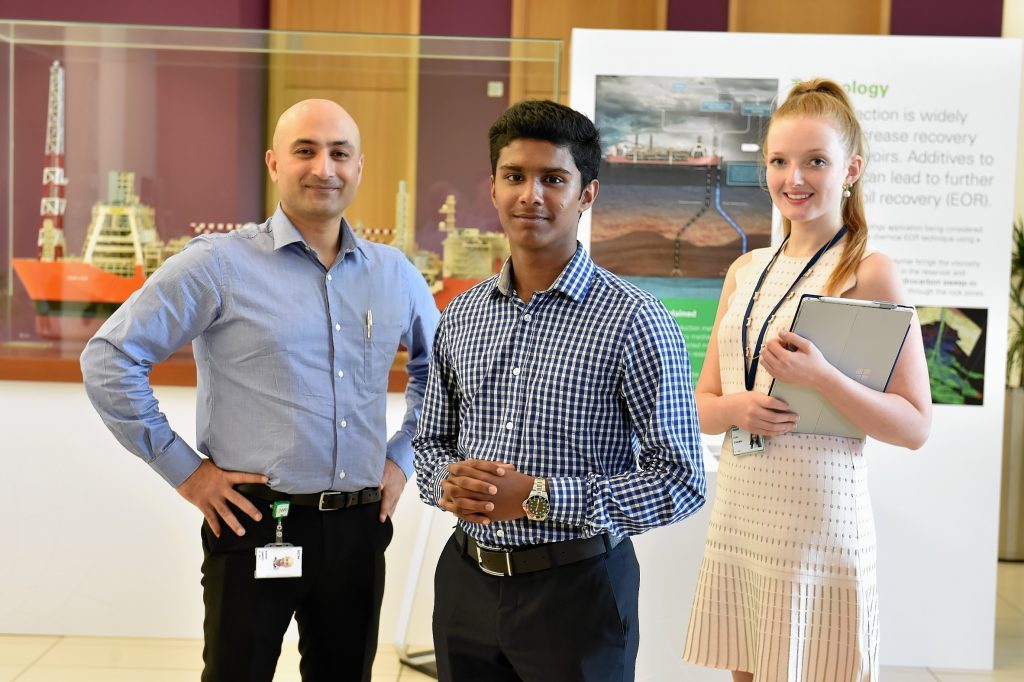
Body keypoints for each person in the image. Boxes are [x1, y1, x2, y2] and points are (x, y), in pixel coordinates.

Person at [80, 99, 438, 682]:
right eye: (305, 151)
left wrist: (402, 458)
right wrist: (187, 472)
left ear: (359, 167)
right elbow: (110, 357)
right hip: (252, 522)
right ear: (274, 164)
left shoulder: (394, 273)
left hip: (358, 527)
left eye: (339, 153)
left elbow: (441, 375)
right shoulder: (218, 265)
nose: (324, 167)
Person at [413, 99, 707, 681]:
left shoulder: (635, 320)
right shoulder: (463, 314)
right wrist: (448, 483)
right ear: (493, 188)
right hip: (467, 584)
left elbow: (681, 481)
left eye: (553, 179)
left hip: (580, 590)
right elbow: (430, 441)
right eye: (514, 176)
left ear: (587, 193)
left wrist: (538, 497)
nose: (531, 195)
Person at [682, 78, 932, 681]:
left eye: (815, 161)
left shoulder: (869, 270)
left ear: (851, 168)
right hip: (743, 511)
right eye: (779, 161)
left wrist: (822, 379)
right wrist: (738, 408)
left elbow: (916, 425)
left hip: (819, 522)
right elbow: (699, 405)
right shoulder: (745, 268)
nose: (794, 178)